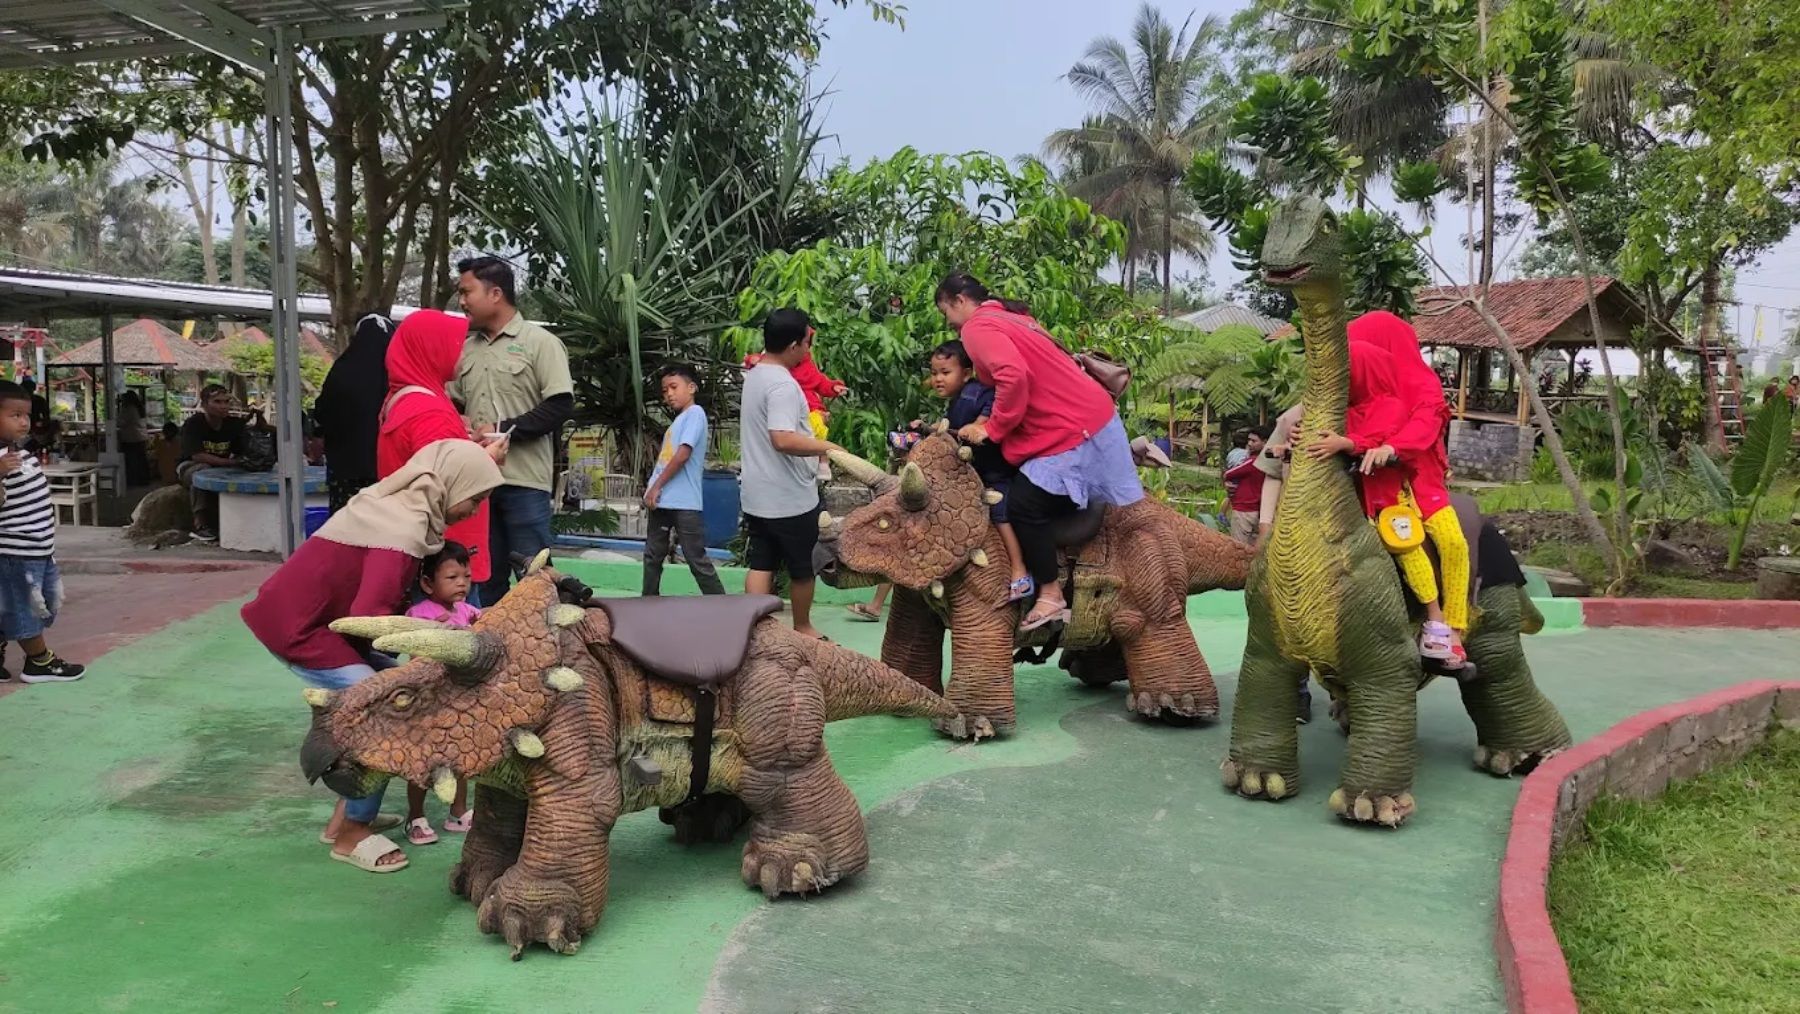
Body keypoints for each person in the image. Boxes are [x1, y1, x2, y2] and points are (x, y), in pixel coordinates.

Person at [240, 440, 501, 873]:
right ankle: (352, 834)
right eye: (475, 498)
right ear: (452, 484)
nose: (474, 509)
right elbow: (370, 617)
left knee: (400, 695)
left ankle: (343, 818)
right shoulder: (401, 530)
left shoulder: (399, 507)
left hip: (319, 624)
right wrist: (440, 636)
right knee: (386, 713)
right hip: (303, 631)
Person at [935, 272, 1143, 632]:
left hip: (1074, 428)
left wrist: (992, 428)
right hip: (1087, 418)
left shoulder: (977, 328)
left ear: (959, 301)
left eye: (946, 312)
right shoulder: (1010, 316)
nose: (949, 322)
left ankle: (1050, 594)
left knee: (1024, 505)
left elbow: (1013, 376)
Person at [1316, 311, 1471, 670]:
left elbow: (1425, 423)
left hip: (1421, 480)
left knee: (1452, 542)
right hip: (1379, 489)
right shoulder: (1349, 401)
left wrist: (1390, 447)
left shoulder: (1419, 387)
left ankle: (1453, 627)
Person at [452, 255, 574, 607]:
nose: (461, 301)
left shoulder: (540, 343)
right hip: (478, 486)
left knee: (534, 581)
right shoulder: (465, 349)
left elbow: (559, 406)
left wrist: (501, 430)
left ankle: (546, 641)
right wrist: (458, 421)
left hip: (525, 483)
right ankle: (493, 642)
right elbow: (453, 404)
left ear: (495, 294)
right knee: (485, 579)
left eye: (467, 292)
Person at [379, 309, 496, 605]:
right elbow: (449, 486)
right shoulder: (429, 413)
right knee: (455, 631)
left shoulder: (404, 398)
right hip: (448, 558)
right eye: (455, 347)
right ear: (432, 351)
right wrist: (488, 458)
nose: (462, 355)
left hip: (422, 548)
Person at [739, 309, 839, 640]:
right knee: (802, 567)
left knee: (761, 562)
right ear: (794, 345)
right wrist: (827, 446)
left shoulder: (755, 374)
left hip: (757, 495)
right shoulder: (782, 384)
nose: (808, 350)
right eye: (807, 343)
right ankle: (803, 627)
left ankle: (754, 631)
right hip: (789, 498)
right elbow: (781, 438)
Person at [930, 339, 1032, 600]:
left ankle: (1019, 569)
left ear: (966, 373)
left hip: (994, 474)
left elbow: (991, 407)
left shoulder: (975, 392)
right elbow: (952, 429)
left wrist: (979, 424)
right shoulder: (957, 399)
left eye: (945, 372)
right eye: (934, 373)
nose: (938, 379)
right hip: (971, 474)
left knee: (1000, 513)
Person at [0, 381, 86, 684]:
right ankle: (39, 661)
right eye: (15, 415)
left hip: (36, 548)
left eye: (26, 414)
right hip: (15, 551)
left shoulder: (14, 451)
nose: (24, 422)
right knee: (26, 607)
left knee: (21, 603)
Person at [398, 540, 479, 844]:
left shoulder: (467, 611)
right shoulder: (419, 614)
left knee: (461, 758)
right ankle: (415, 816)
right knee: (423, 761)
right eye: (452, 577)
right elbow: (417, 654)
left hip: (459, 701)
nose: (462, 583)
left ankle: (458, 812)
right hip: (428, 702)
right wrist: (444, 634)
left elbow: (486, 624)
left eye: (466, 577)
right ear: (427, 583)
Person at [642, 365, 726, 597]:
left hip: (684, 502)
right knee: (652, 556)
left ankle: (722, 606)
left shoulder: (695, 413)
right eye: (665, 390)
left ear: (691, 388)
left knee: (695, 557)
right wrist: (653, 490)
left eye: (674, 387)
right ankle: (647, 602)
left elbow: (682, 454)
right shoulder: (678, 421)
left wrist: (656, 486)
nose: (669, 394)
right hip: (662, 501)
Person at [314, 313, 395, 513]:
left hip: (345, 469)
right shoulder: (397, 375)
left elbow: (323, 412)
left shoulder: (341, 371)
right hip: (387, 472)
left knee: (346, 522)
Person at [177, 384, 249, 542]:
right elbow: (197, 456)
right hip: (190, 467)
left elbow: (244, 450)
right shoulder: (194, 424)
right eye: (217, 402)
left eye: (226, 401)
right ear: (204, 404)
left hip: (221, 468)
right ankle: (200, 524)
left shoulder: (234, 424)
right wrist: (229, 462)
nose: (223, 406)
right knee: (202, 472)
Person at [1222, 426, 1270, 545]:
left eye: (1254, 441)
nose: (1249, 444)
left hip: (1244, 510)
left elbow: (1228, 474)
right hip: (1261, 511)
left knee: (1238, 547)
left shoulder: (1253, 461)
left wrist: (1227, 482)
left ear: (1265, 442)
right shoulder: (1272, 462)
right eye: (1249, 440)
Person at [116, 391, 151, 487]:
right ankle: (144, 480)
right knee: (141, 460)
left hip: (131, 438)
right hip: (141, 437)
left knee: (131, 461)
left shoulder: (128, 409)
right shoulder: (139, 408)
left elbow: (121, 422)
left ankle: (133, 481)